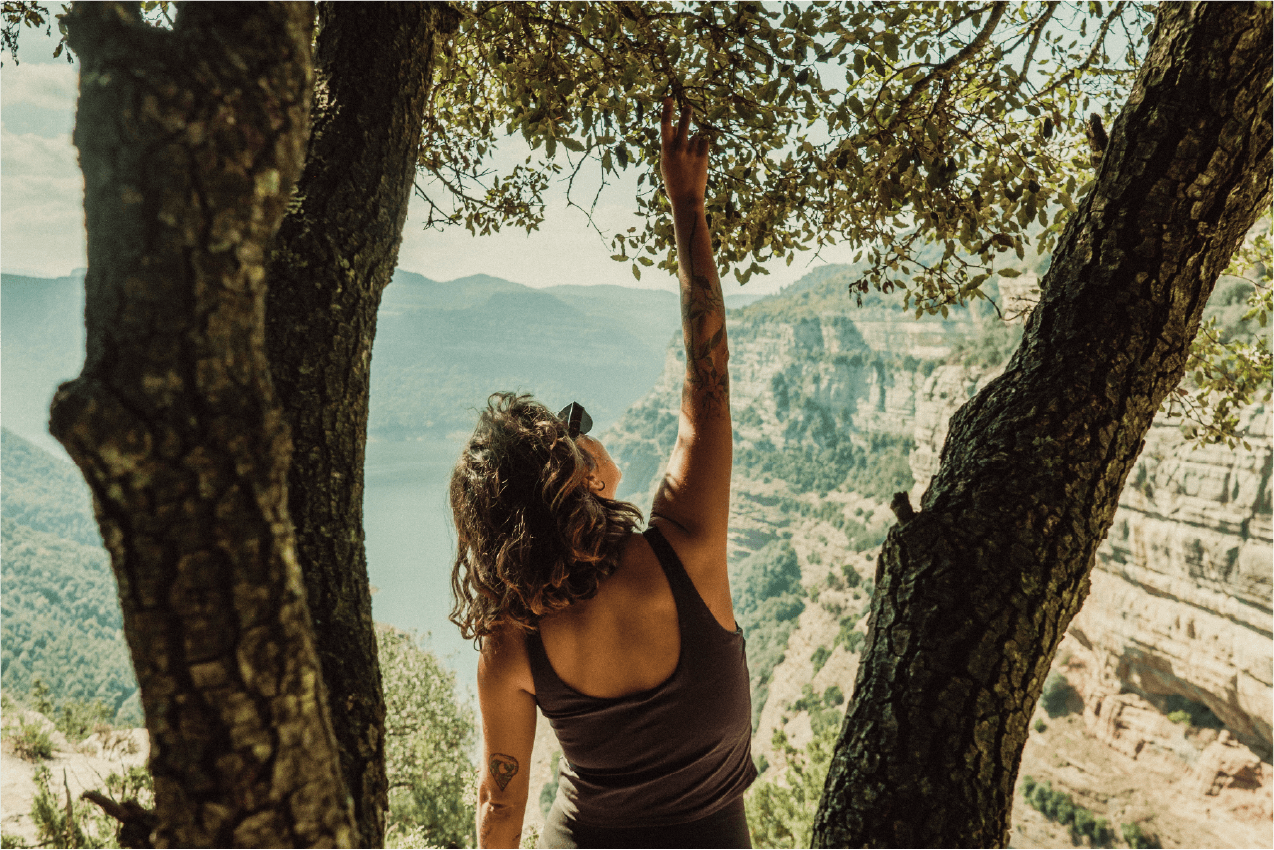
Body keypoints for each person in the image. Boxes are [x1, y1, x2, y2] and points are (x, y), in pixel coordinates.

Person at [449, 98, 753, 849]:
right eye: (572, 432)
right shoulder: (687, 546)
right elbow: (706, 383)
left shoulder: (511, 640)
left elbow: (500, 808)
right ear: (573, 478)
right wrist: (687, 205)